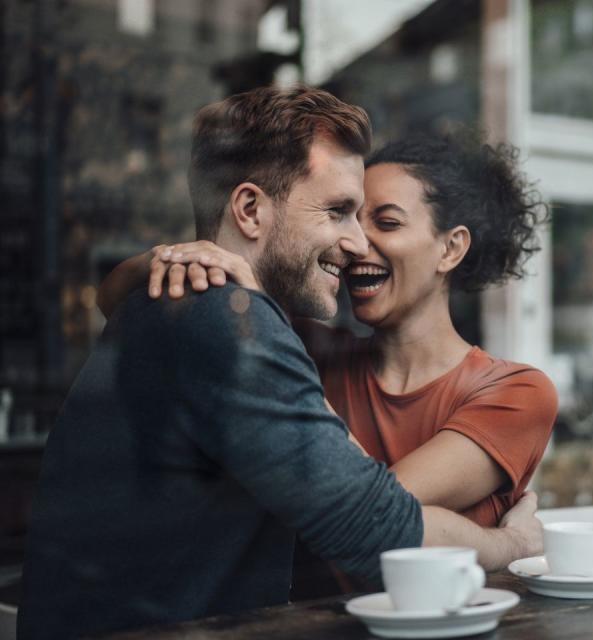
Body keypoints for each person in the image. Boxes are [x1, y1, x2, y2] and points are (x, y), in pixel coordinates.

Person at [17, 86, 542, 640]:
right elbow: (375, 525)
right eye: (339, 212)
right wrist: (516, 545)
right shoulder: (224, 320)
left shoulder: (192, 306)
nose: (357, 242)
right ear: (249, 210)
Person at [101, 134, 558, 530]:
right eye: (349, 219)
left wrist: (254, 296)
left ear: (451, 248)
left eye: (388, 222)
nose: (356, 244)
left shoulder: (518, 393)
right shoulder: (312, 349)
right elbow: (112, 300)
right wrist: (172, 258)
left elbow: (372, 506)